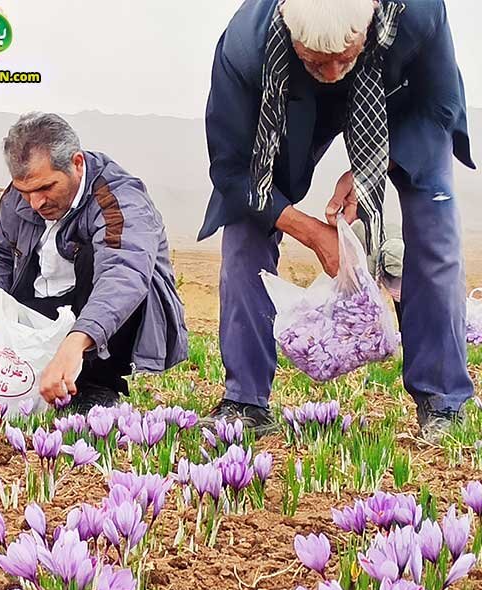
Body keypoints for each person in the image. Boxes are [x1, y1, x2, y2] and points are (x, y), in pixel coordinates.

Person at [200, 0, 474, 439]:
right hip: (287, 101)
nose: (331, 73)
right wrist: (309, 232)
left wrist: (371, 169)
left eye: (343, 58)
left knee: (434, 223)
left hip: (399, 102)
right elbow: (232, 169)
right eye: (317, 61)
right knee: (246, 230)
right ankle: (245, 401)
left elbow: (437, 107)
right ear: (290, 32)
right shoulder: (245, 47)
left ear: (367, 24)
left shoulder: (417, 13)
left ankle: (444, 400)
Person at [0, 112, 188, 411]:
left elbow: (123, 276)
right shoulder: (17, 196)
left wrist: (77, 341)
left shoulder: (118, 196)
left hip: (98, 316)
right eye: (26, 192)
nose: (35, 203)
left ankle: (97, 384)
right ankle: (38, 381)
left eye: (46, 188)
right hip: (42, 310)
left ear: (76, 164)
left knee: (96, 261)